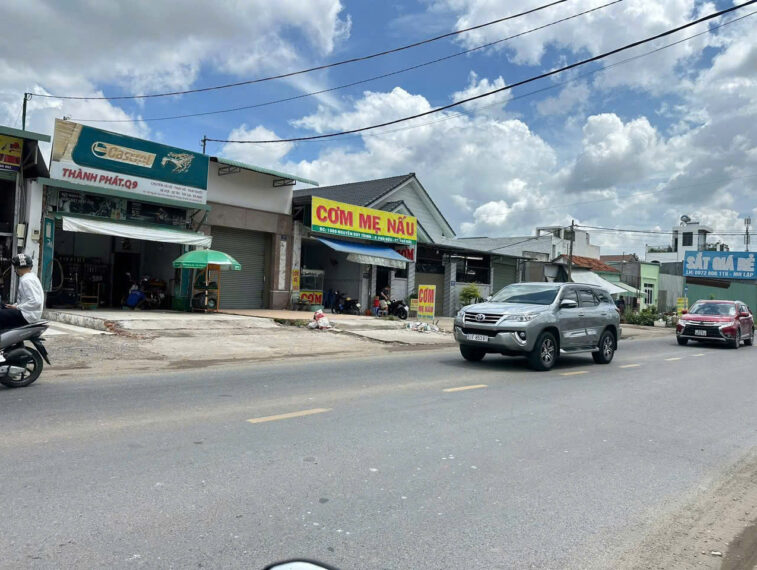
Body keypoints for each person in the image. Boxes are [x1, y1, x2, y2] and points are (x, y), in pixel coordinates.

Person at [0, 254, 44, 330]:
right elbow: (26, 300)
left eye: (15, 267)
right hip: (29, 313)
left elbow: (36, 302)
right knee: (3, 306)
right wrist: (14, 306)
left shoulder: (27, 280)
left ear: (18, 268)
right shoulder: (31, 277)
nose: (14, 270)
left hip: (27, 315)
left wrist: (17, 307)